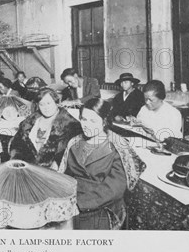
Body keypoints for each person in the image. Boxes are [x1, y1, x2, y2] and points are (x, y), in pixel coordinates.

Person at [58, 98, 145, 230]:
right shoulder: (74, 142)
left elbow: (113, 189)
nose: (86, 125)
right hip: (72, 199)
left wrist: (79, 203)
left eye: (93, 120)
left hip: (103, 206)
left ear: (104, 122)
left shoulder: (118, 147)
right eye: (83, 119)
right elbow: (64, 176)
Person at [9, 88, 83, 169]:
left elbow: (70, 152)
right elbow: (17, 143)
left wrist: (57, 163)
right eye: (42, 104)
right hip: (26, 168)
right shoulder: (29, 121)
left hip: (53, 171)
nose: (46, 108)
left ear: (56, 102)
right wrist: (17, 159)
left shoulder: (71, 124)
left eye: (49, 103)